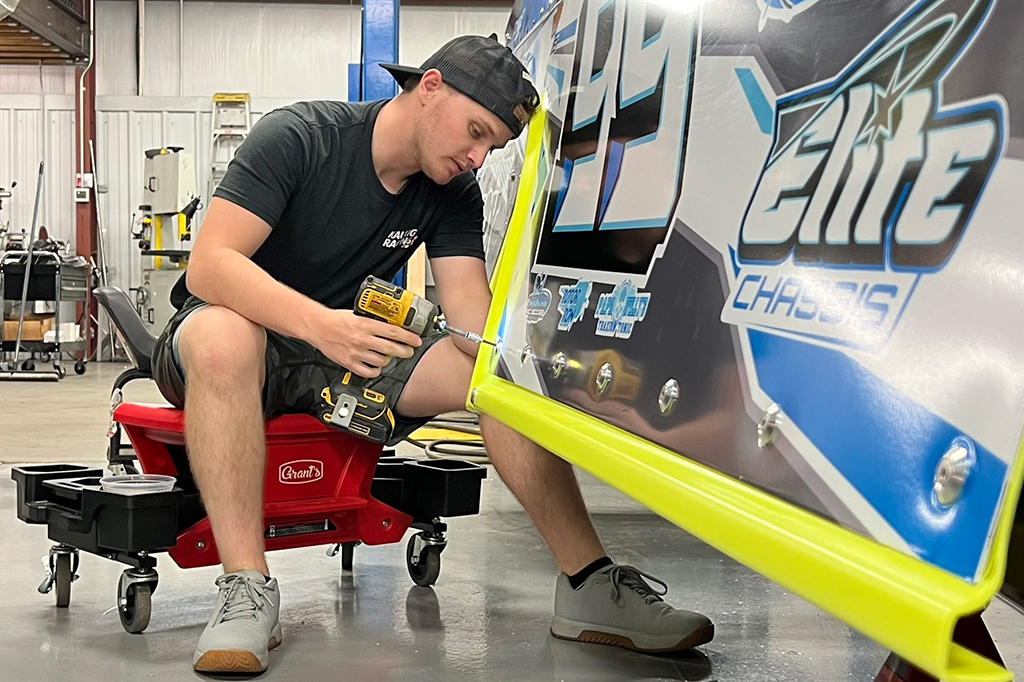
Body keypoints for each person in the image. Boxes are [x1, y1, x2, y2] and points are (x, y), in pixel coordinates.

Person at [151, 35, 715, 675]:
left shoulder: (452, 191)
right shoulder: (300, 136)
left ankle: (588, 585)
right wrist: (321, 325)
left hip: (346, 353)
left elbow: (471, 317)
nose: (477, 157)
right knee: (225, 337)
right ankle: (247, 590)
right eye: (475, 132)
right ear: (431, 86)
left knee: (497, 371)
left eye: (492, 147)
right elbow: (211, 265)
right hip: (234, 332)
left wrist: (557, 353)